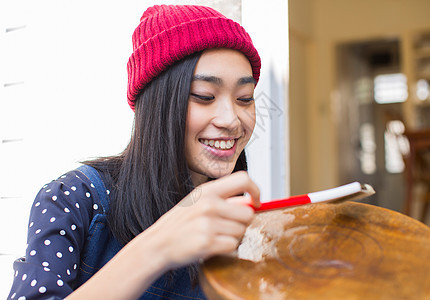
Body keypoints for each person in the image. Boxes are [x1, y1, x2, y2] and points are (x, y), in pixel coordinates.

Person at [8, 4, 262, 300]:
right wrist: (157, 247)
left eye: (245, 99)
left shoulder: (239, 222)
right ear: (156, 104)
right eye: (205, 96)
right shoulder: (73, 198)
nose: (231, 120)